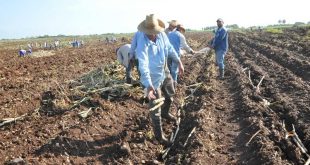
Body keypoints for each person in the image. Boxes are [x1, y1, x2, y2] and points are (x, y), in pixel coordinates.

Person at [136, 14, 184, 146]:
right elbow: (143, 65)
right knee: (155, 107)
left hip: (165, 71)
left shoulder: (162, 35)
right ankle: (159, 136)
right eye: (149, 33)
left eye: (154, 32)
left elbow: (170, 49)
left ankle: (166, 112)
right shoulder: (142, 44)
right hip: (152, 78)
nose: (152, 35)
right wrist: (148, 85)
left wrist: (179, 61)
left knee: (170, 95)